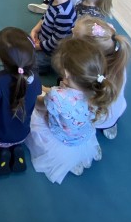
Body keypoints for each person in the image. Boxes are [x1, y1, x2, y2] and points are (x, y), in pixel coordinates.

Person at [25, 37, 116, 184]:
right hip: (83, 135)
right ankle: (81, 158)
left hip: (62, 137)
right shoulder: (98, 91)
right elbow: (62, 95)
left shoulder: (57, 96)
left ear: (66, 73)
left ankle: (70, 162)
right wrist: (47, 90)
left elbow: (39, 104)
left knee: (33, 116)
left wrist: (33, 91)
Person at [0, 27, 42, 174]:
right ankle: (16, 149)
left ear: (0, 57)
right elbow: (37, 97)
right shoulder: (35, 77)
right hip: (22, 134)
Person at [73, 16, 131, 140]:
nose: (71, 32)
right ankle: (110, 124)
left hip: (98, 114)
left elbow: (80, 99)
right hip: (114, 108)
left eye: (74, 37)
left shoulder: (92, 75)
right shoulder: (115, 57)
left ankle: (106, 126)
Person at [30, 0, 79, 74]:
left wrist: (38, 46)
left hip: (51, 52)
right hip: (43, 40)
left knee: (25, 63)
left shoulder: (64, 14)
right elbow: (46, 16)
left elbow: (57, 41)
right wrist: (36, 29)